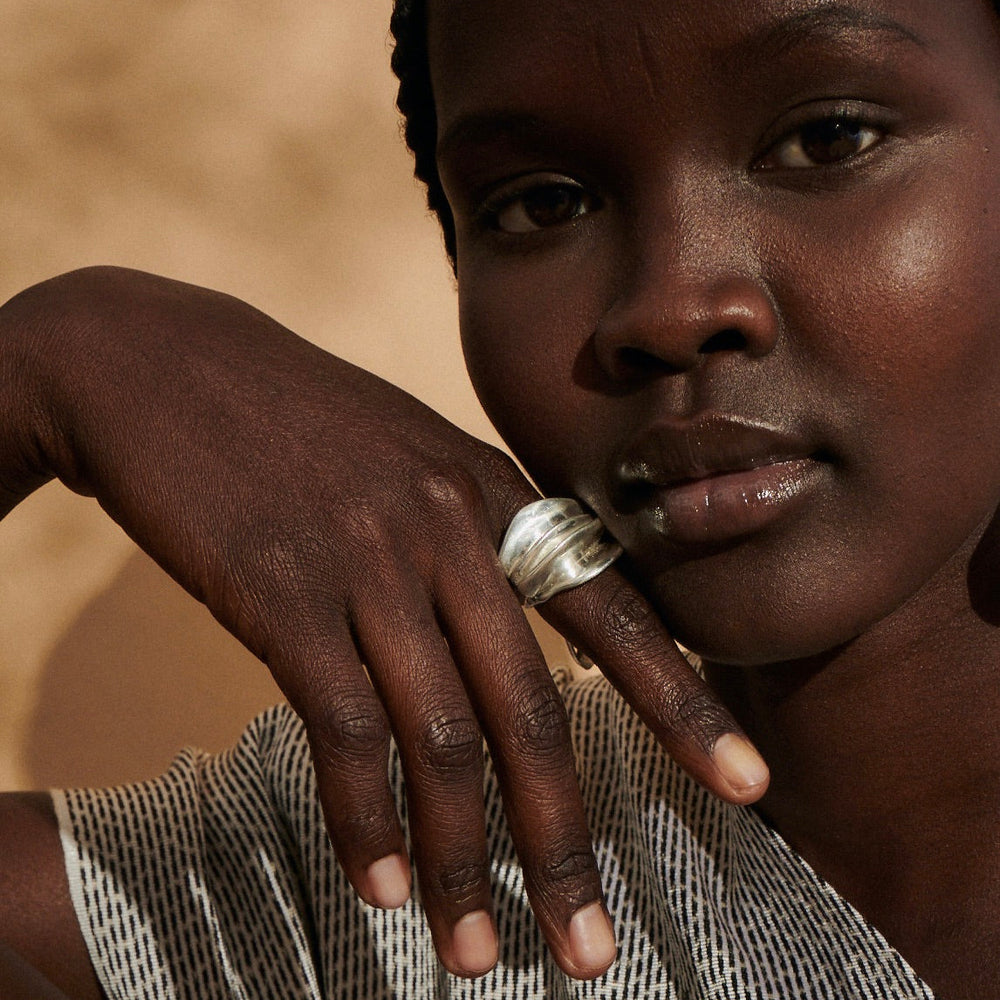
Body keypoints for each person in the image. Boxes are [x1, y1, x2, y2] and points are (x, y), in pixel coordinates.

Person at [1, 0, 999, 996]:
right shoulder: (381, 890)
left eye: (828, 139)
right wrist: (52, 353)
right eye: (543, 203)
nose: (669, 305)